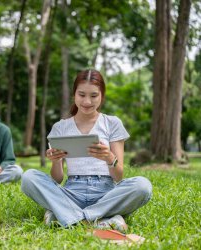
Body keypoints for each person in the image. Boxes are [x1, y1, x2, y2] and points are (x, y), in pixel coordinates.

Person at [21, 69, 152, 232]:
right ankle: (102, 220)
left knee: (143, 186)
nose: (87, 101)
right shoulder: (60, 127)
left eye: (94, 96)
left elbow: (118, 176)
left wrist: (110, 158)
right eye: (82, 95)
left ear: (102, 96)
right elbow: (57, 179)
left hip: (105, 193)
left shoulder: (112, 123)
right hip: (71, 192)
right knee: (28, 177)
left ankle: (68, 217)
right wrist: (56, 162)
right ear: (74, 95)